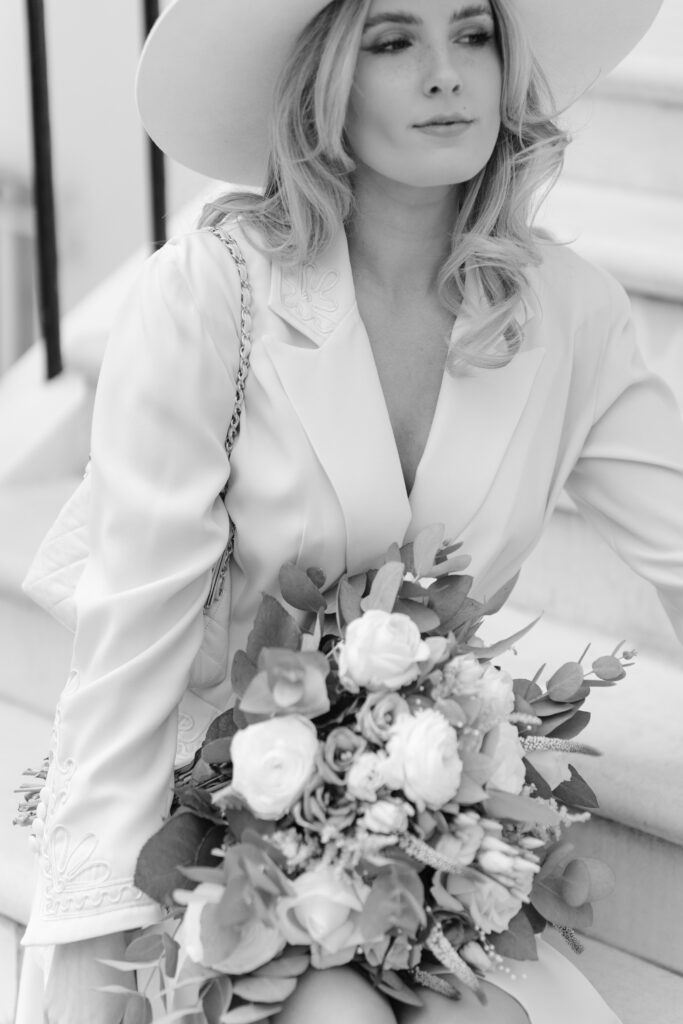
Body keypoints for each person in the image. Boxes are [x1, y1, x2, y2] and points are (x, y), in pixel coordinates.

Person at [17, 0, 683, 1021]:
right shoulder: (210, 293)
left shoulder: (566, 310)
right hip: (200, 822)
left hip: (411, 829)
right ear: (323, 80)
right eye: (390, 41)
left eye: (472, 34)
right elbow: (128, 657)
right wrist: (107, 955)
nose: (444, 74)